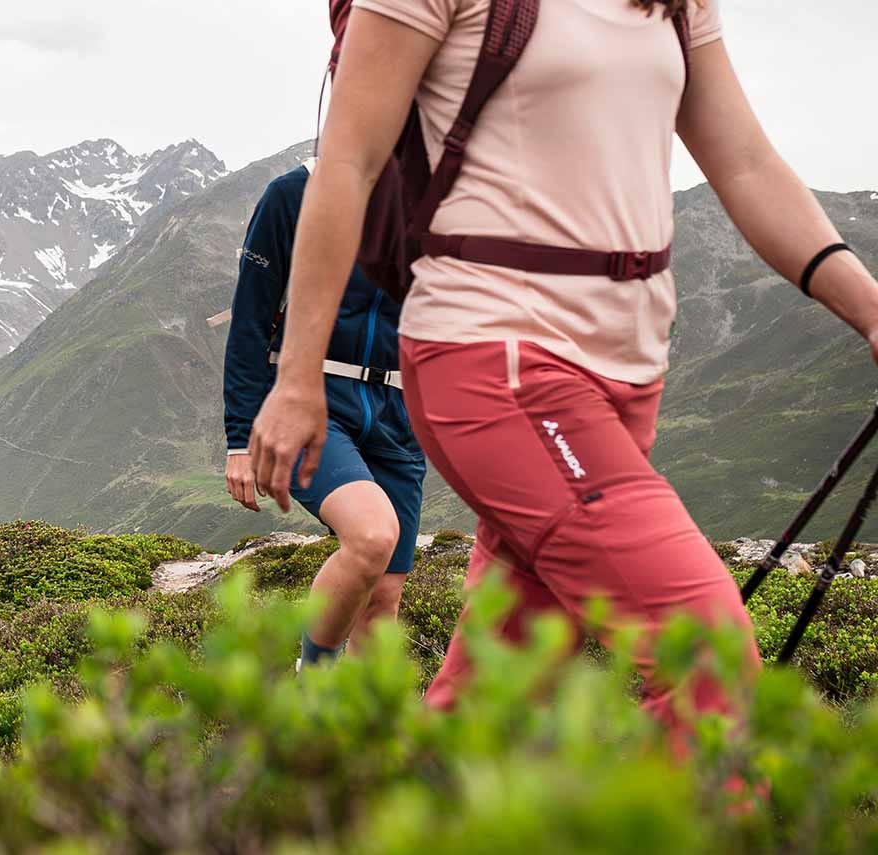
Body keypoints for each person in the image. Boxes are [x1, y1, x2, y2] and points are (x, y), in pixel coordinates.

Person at [250, 0, 878, 733]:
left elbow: (746, 164)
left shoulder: (676, 3)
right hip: (495, 359)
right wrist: (296, 382)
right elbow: (348, 166)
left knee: (496, 697)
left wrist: (869, 308)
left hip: (627, 380)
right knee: (706, 653)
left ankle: (386, 812)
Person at [225, 159, 426, 669]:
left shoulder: (442, 202)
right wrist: (239, 438)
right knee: (372, 535)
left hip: (400, 416)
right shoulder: (294, 193)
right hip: (312, 402)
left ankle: (356, 737)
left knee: (383, 601)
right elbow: (249, 323)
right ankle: (311, 682)